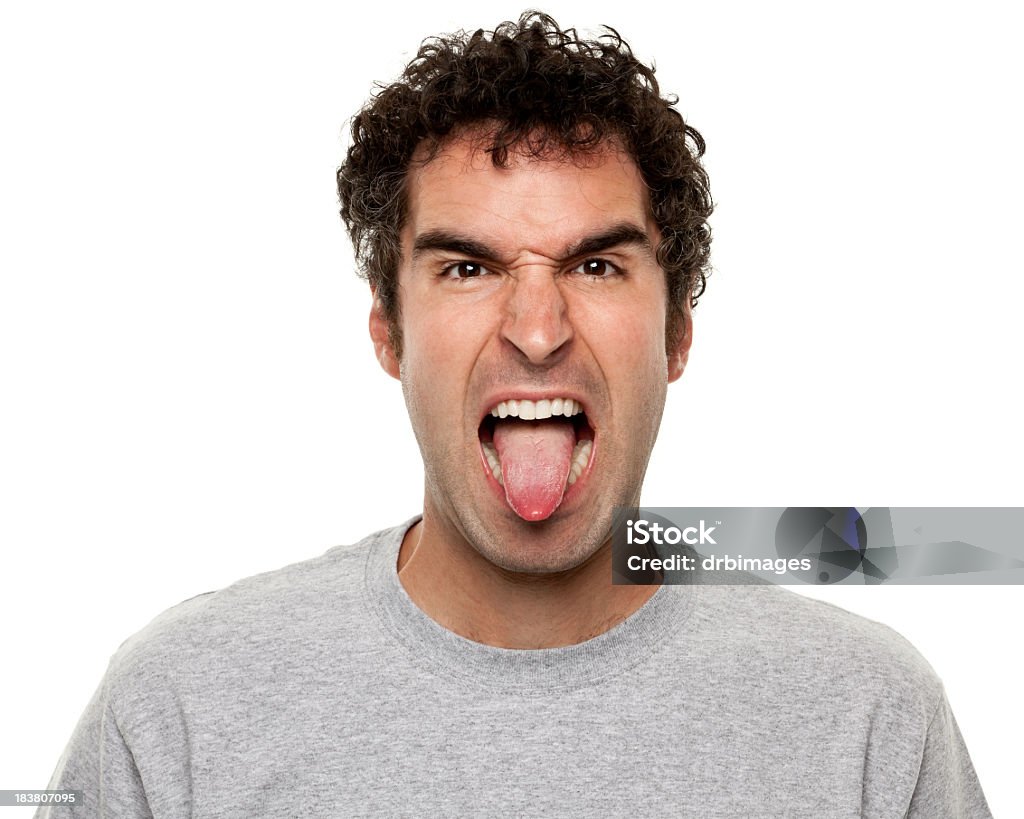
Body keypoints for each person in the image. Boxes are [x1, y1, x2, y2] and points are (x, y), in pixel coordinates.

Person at [38, 12, 991, 817]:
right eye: (468, 267)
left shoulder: (871, 720)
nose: (537, 329)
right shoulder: (181, 711)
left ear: (675, 337)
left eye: (595, 265)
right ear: (390, 333)